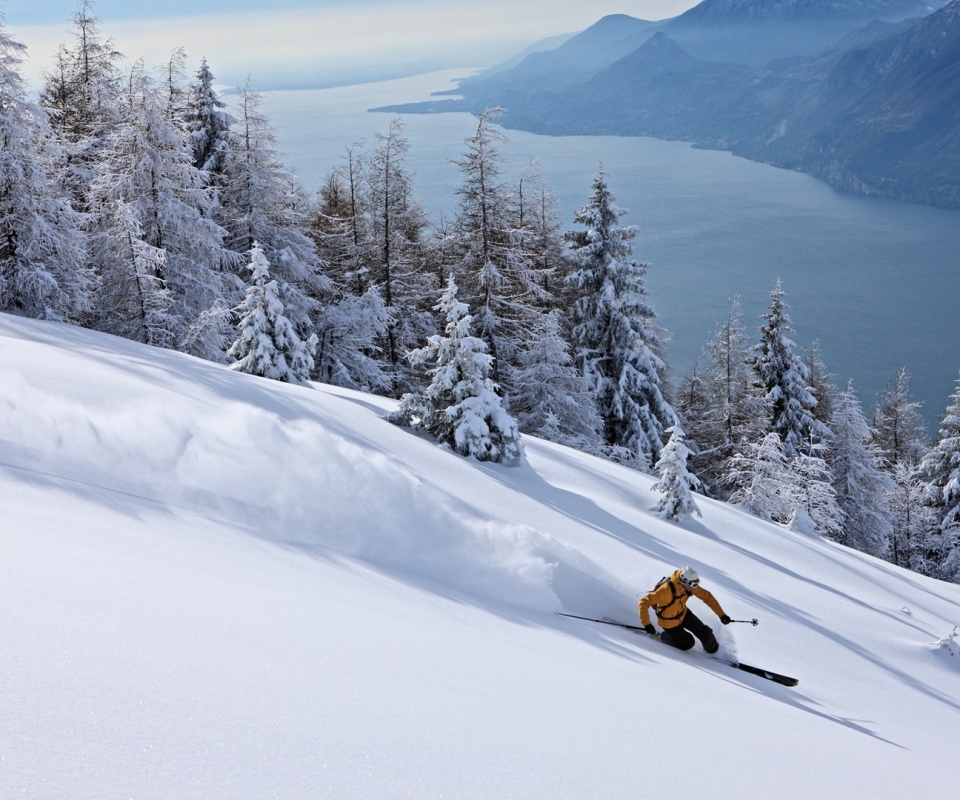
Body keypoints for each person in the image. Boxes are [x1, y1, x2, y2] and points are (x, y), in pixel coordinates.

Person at [638, 566, 731, 654]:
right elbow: (644, 602)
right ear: (685, 581)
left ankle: (714, 652)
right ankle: (662, 636)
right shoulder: (666, 590)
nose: (695, 587)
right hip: (669, 622)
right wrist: (647, 624)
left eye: (696, 584)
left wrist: (721, 615)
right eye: (694, 585)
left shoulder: (689, 587)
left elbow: (707, 597)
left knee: (705, 634)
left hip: (684, 614)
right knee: (688, 643)